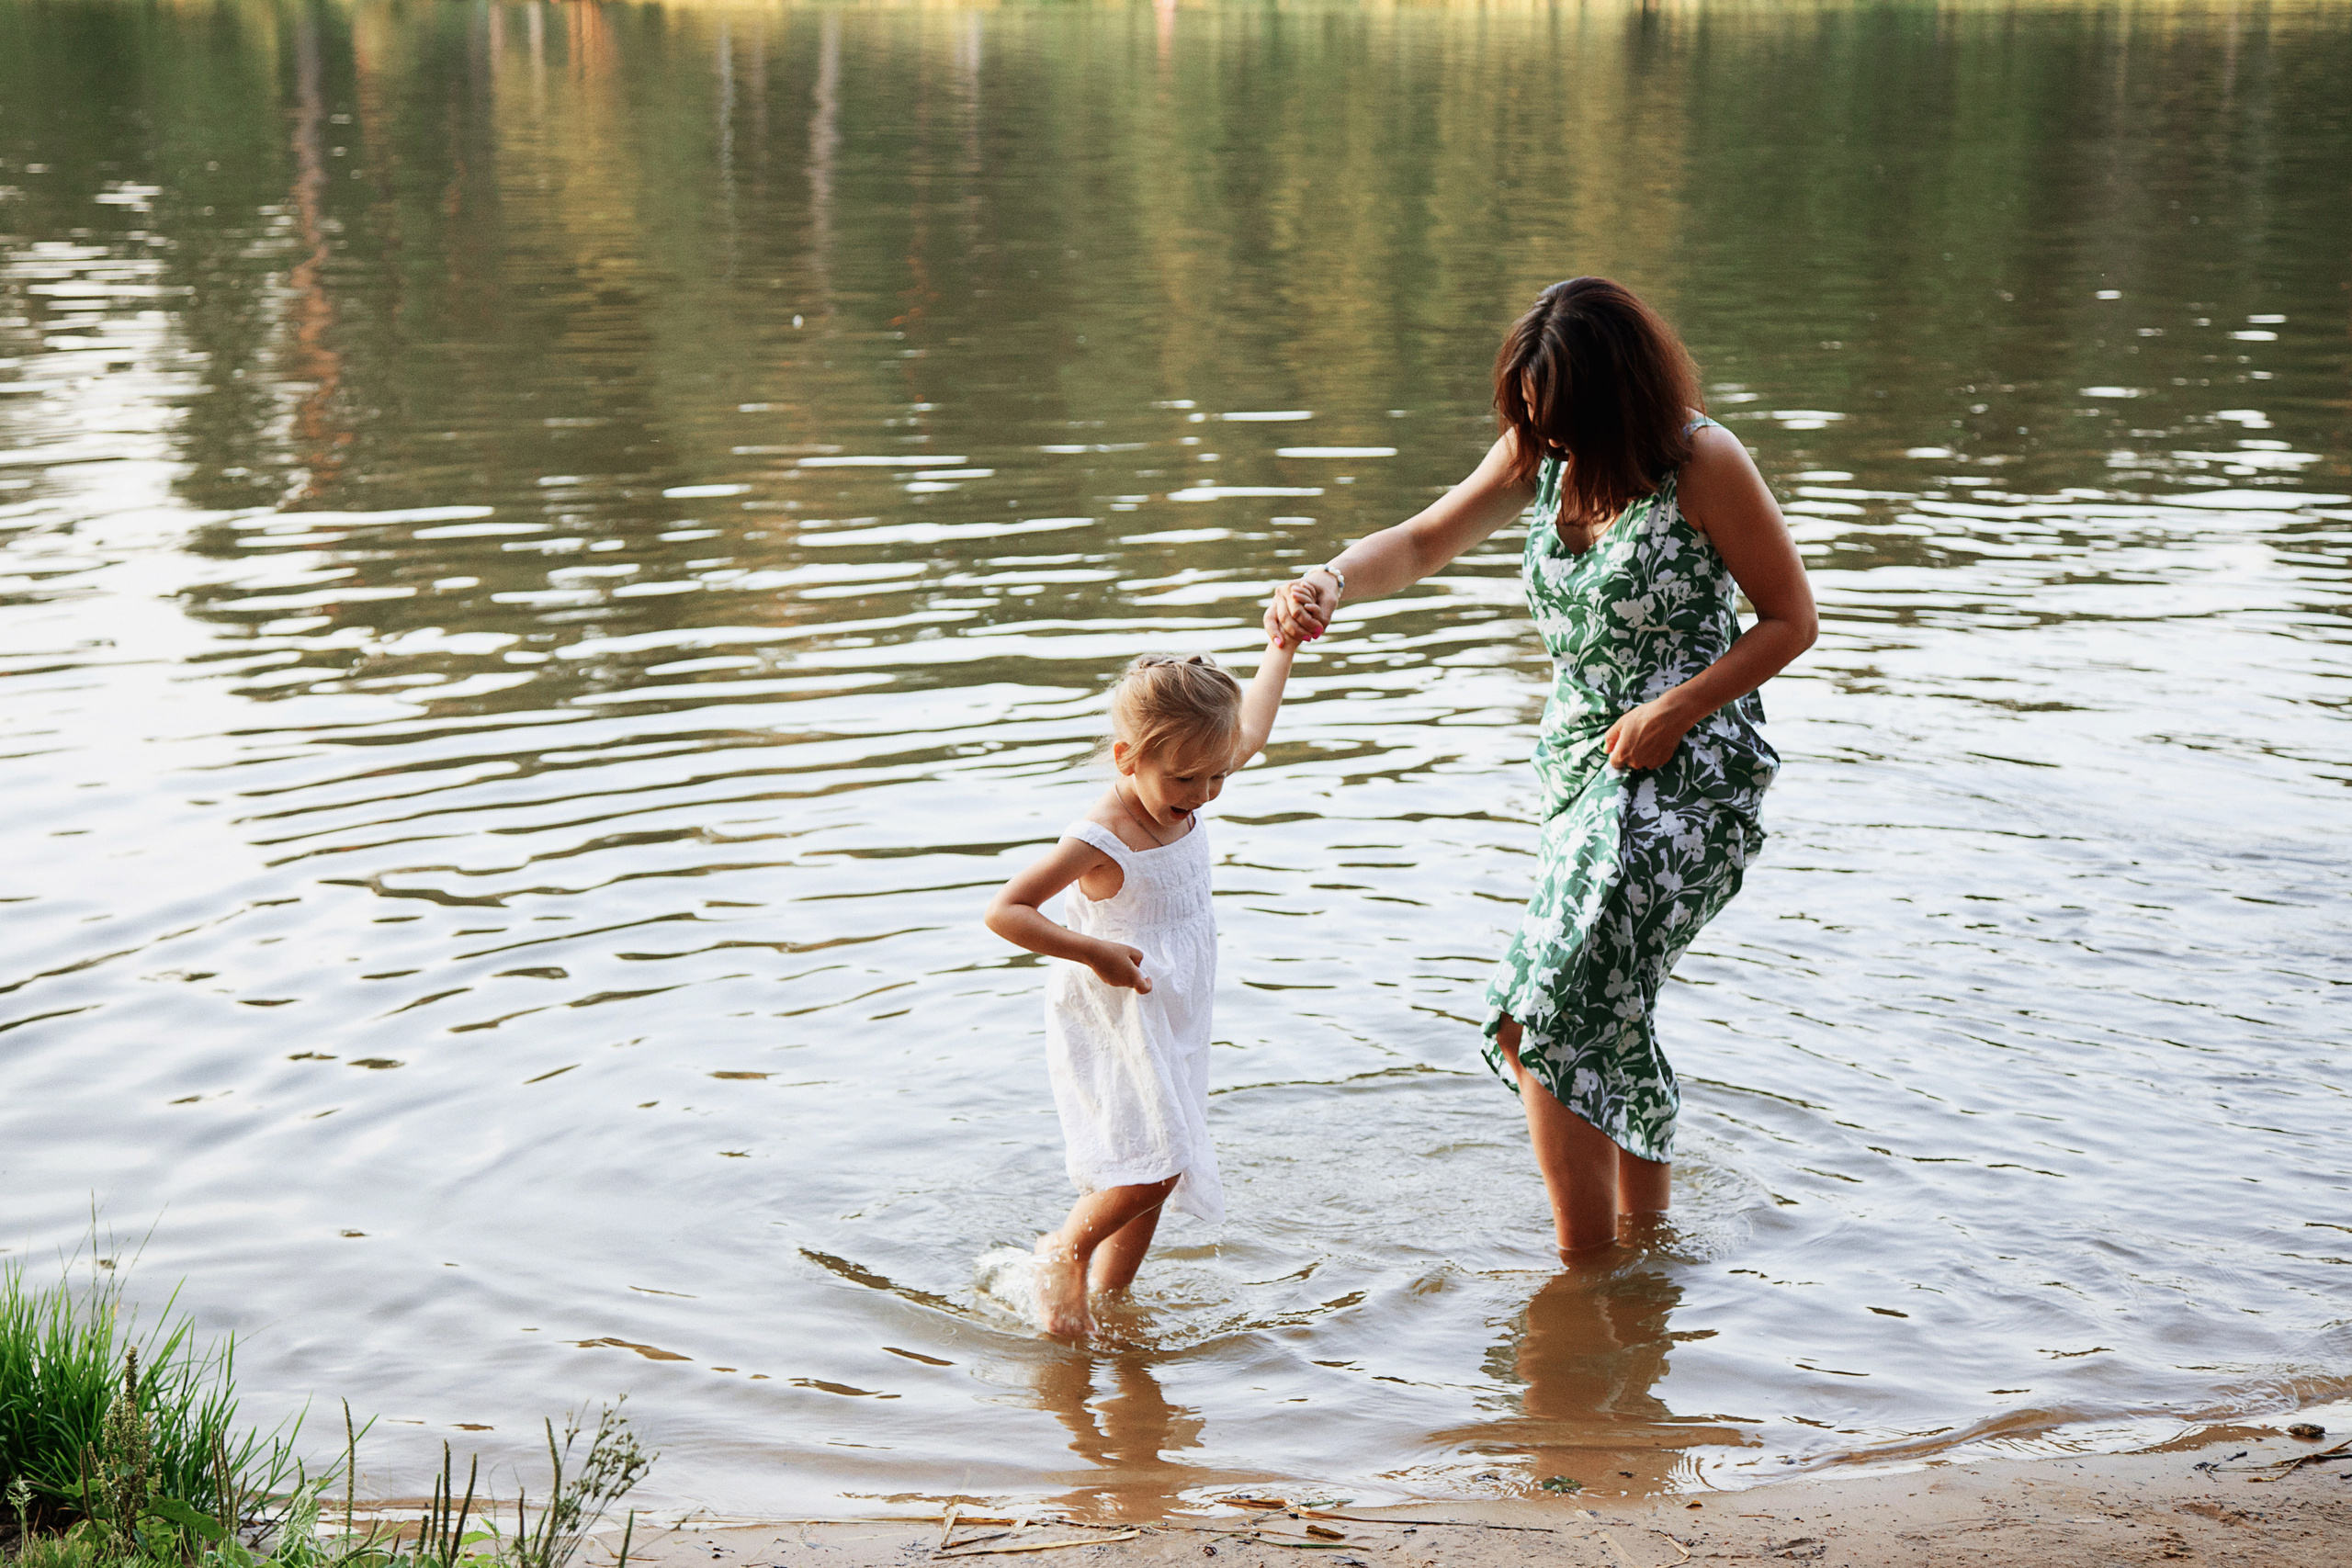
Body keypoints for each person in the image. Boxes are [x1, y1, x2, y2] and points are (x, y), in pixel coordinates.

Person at [1268, 276, 1817, 1259]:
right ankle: (1648, 1251)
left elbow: (1791, 621)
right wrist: (1330, 580)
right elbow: (1427, 538)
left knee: (1540, 1012)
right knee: (1609, 1001)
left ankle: (1583, 1266)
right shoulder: (1541, 451)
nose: (1546, 440)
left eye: (1561, 420)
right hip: (1577, 774)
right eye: (1531, 419)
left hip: (1693, 774)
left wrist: (1676, 706)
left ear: (1617, 398)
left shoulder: (1701, 461)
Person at [985, 642, 1297, 1336]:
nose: (1205, 794)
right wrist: (1093, 950)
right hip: (1115, 1006)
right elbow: (1006, 910)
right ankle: (1061, 1251)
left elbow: (1257, 727)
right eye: (1188, 779)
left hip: (1173, 1003)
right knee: (1160, 1162)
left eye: (1218, 776)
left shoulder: (1198, 765)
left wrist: (1281, 647)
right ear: (1128, 758)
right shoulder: (1104, 835)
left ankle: (1107, 1298)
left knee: (1154, 1159)